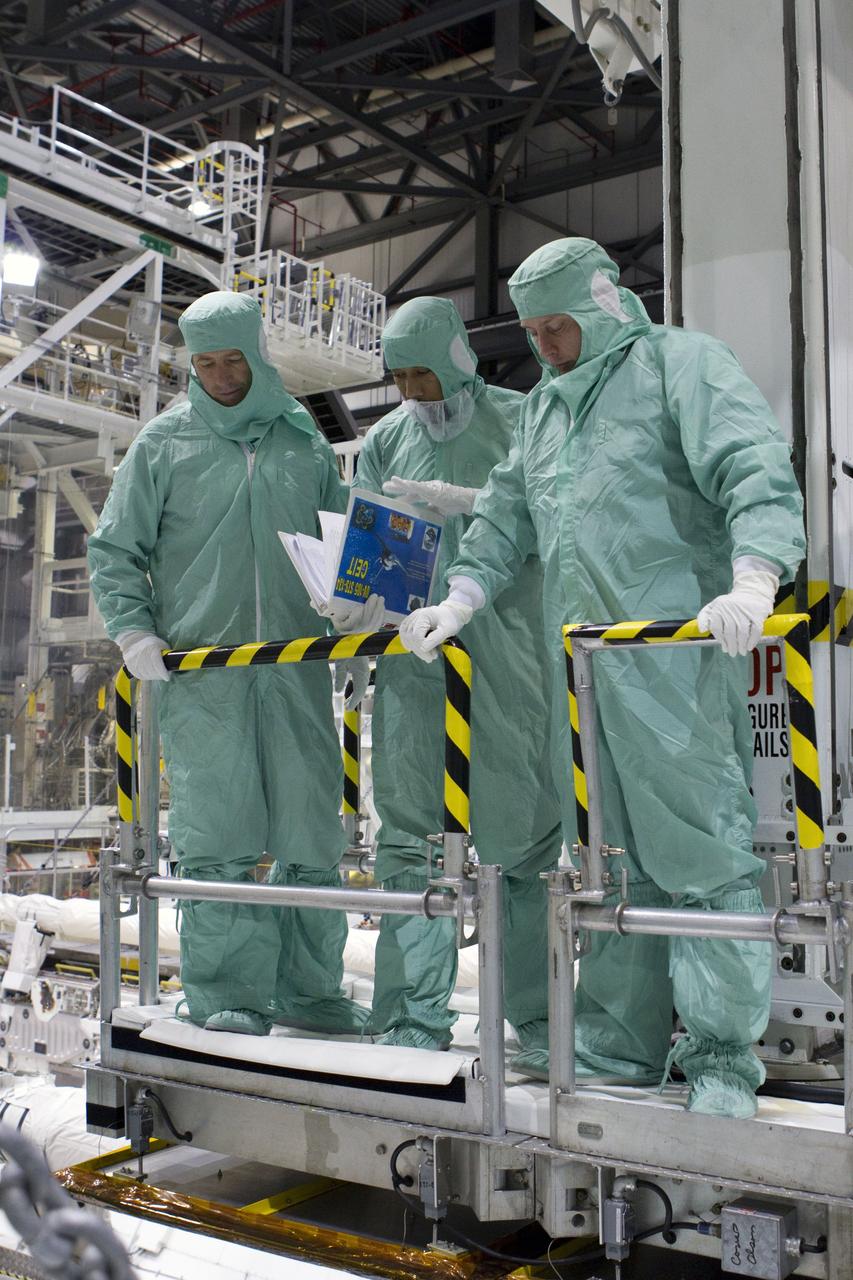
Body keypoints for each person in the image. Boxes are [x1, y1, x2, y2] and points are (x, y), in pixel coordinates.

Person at [399, 240, 805, 1118]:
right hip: (578, 676)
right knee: (607, 866)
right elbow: (506, 514)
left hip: (671, 668)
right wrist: (462, 597)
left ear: (602, 305)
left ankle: (722, 1062)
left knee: (700, 855)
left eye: (559, 326)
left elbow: (750, 465)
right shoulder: (545, 410)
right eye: (533, 331)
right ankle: (617, 1048)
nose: (546, 345)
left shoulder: (678, 366)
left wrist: (752, 577)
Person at [88, 290, 368, 1037]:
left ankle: (312, 993)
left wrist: (351, 600)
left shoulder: (299, 439)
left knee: (311, 832)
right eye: (204, 362)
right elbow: (115, 550)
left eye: (230, 359)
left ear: (255, 354)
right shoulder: (164, 443)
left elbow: (339, 533)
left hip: (297, 663)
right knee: (218, 839)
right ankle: (228, 995)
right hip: (204, 674)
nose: (217, 375)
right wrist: (134, 634)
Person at [332, 296, 562, 1065]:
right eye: (399, 377)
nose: (411, 392)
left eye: (423, 374)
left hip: (509, 654)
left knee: (522, 847)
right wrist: (351, 598)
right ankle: (408, 1014)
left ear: (457, 361)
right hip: (414, 667)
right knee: (408, 842)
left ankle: (534, 1021)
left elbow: (555, 517)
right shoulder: (387, 440)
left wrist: (471, 506)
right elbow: (368, 542)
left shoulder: (523, 417)